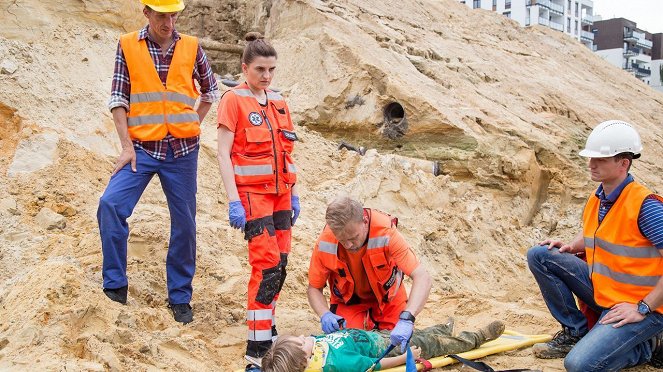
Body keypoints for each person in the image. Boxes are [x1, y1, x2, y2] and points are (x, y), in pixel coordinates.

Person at [97, 0, 218, 324]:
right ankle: (115, 286)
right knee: (110, 205)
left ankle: (179, 297)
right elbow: (118, 99)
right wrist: (126, 147)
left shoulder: (192, 47)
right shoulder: (127, 46)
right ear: (147, 12)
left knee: (185, 224)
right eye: (162, 15)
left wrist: (193, 122)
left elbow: (211, 91)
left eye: (174, 15)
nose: (169, 22)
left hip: (182, 152)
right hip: (142, 149)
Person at [526, 120, 663, 371]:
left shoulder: (647, 207)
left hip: (642, 305)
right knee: (541, 255)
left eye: (600, 159)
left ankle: (648, 346)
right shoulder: (599, 196)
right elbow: (601, 232)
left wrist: (643, 308)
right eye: (591, 158)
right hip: (606, 292)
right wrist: (569, 245)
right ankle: (576, 332)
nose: (591, 164)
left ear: (624, 163)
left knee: (579, 365)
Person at [216, 33, 300, 366]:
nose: (266, 76)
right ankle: (256, 349)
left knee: (280, 266)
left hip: (281, 196)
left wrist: (294, 195)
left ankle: (268, 329)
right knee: (265, 268)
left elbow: (288, 152)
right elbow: (223, 153)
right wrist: (233, 200)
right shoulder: (233, 100)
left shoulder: (278, 101)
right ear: (245, 68)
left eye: (271, 69)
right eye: (260, 69)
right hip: (253, 197)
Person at [307, 197, 432, 354]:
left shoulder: (385, 232)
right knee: (349, 347)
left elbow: (422, 277)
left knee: (393, 347)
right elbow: (314, 287)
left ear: (365, 221)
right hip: (350, 304)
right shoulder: (325, 242)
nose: (349, 245)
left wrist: (408, 317)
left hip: (389, 301)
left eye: (353, 238)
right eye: (342, 240)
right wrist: (324, 314)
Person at [260, 319, 506, 372]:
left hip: (376, 336)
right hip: (388, 349)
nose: (306, 337)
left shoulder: (314, 347)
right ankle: (476, 337)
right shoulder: (337, 364)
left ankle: (441, 328)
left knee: (420, 332)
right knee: (433, 343)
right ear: (302, 362)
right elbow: (375, 365)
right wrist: (405, 357)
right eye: (302, 342)